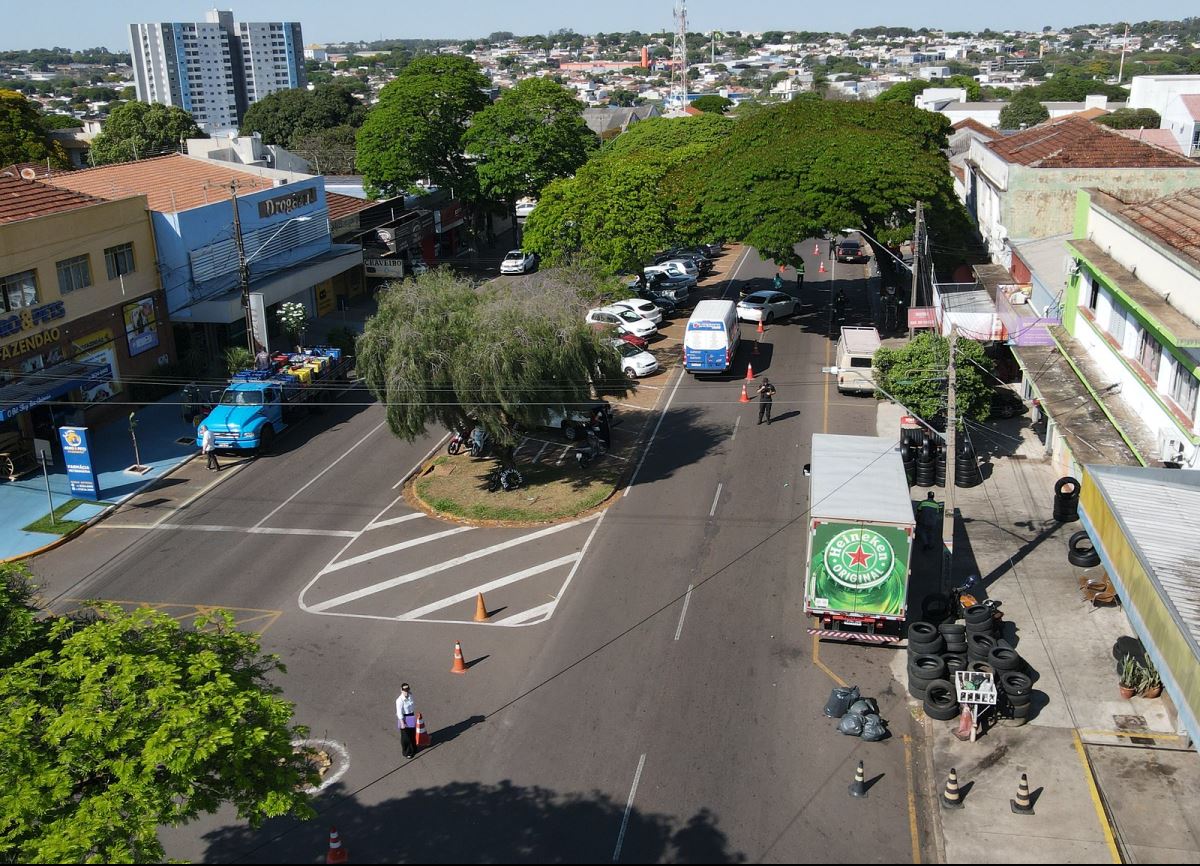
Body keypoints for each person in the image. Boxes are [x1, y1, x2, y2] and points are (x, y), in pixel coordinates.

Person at [396, 683, 416, 759]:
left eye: (407, 689)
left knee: (412, 733)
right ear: (401, 690)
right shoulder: (399, 700)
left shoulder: (410, 695)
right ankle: (407, 752)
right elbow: (399, 712)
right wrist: (402, 723)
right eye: (404, 690)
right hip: (404, 717)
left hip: (411, 715)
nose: (406, 691)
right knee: (405, 736)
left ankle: (413, 748)